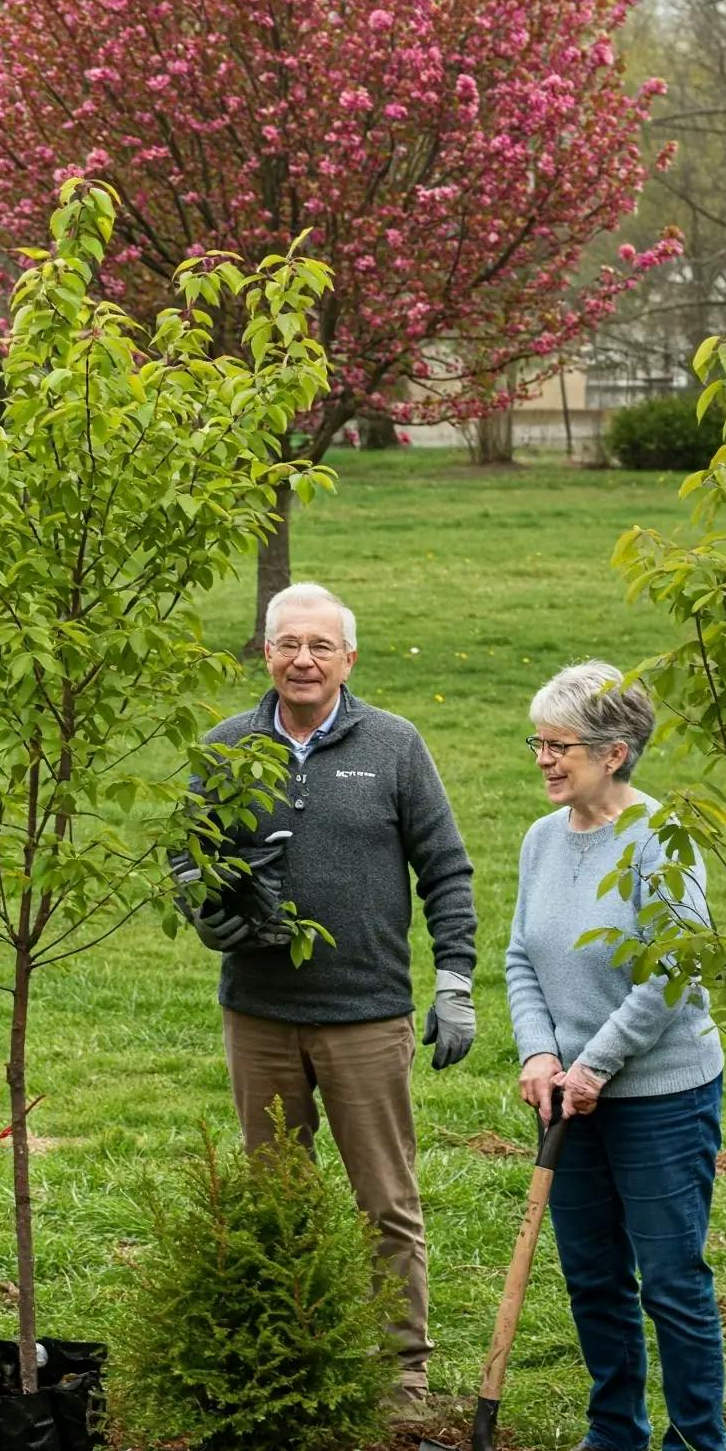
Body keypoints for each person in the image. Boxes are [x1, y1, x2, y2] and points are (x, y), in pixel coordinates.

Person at [179, 582, 476, 1409]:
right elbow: (188, 866)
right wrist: (214, 919)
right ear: (265, 651)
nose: (302, 660)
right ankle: (291, 1360)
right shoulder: (227, 749)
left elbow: (446, 868)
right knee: (276, 1201)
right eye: (286, 644)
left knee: (386, 1203)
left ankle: (399, 1373)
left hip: (366, 1016)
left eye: (320, 646)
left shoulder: (394, 746)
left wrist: (454, 980)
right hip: (260, 1017)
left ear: (349, 658)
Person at [505, 660, 726, 1451]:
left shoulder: (661, 839)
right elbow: (522, 954)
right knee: (593, 1270)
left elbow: (676, 972)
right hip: (566, 1094)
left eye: (560, 746)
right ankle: (615, 1435)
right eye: (540, 742)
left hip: (660, 1093)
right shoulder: (540, 838)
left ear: (617, 751)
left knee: (671, 1275)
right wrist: (539, 1054)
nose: (544, 759)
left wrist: (597, 1063)